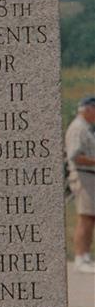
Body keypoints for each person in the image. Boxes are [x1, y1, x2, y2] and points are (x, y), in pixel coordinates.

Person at [65, 96, 95, 273]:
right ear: (88, 109)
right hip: (83, 176)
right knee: (85, 218)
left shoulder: (86, 128)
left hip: (89, 177)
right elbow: (75, 156)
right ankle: (79, 257)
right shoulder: (78, 128)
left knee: (90, 217)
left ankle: (85, 257)